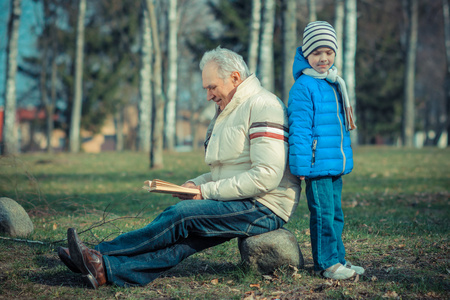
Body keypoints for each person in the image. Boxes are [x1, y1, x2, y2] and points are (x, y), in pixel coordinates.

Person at [58, 46, 300, 289]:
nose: (208, 95)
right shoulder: (229, 109)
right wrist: (196, 184)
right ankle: (105, 271)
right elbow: (226, 170)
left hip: (266, 205)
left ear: (235, 77)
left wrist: (205, 193)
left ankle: (94, 254)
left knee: (182, 215)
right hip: (245, 198)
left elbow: (266, 176)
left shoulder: (263, 105)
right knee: (186, 239)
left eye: (212, 87)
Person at [287, 21, 364, 280]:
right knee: (323, 215)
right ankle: (326, 264)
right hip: (316, 165)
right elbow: (299, 129)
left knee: (336, 214)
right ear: (306, 53)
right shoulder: (303, 87)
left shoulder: (333, 82)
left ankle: (339, 259)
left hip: (333, 163)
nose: (324, 58)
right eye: (317, 52)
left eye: (329, 52)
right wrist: (300, 168)